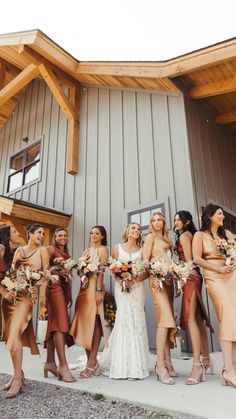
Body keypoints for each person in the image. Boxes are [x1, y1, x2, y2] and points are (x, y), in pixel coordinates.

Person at [193, 203, 236, 388]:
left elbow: (234, 253)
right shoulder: (199, 235)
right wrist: (219, 267)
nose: (223, 217)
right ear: (210, 216)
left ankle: (232, 367)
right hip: (214, 278)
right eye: (219, 214)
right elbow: (197, 258)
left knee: (233, 319)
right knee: (226, 318)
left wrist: (232, 260)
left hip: (232, 276)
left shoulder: (227, 234)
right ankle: (227, 369)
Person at [3, 223, 49, 398]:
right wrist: (13, 287)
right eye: (38, 232)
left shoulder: (42, 251)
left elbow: (44, 274)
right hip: (13, 297)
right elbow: (11, 274)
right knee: (13, 337)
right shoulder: (19, 251)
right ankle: (18, 373)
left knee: (14, 334)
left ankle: (17, 380)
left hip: (27, 298)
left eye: (43, 233)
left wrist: (37, 289)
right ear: (29, 234)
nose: (41, 235)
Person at [99, 222, 149, 380]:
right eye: (133, 228)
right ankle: (122, 364)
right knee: (124, 319)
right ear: (127, 231)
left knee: (136, 319)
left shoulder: (142, 249)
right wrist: (120, 280)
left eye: (138, 229)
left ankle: (136, 366)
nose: (136, 230)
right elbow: (114, 267)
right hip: (121, 288)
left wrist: (135, 280)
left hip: (137, 288)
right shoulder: (117, 248)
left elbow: (147, 271)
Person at [174, 210, 214, 385]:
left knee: (190, 319)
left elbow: (190, 262)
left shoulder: (184, 236)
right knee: (197, 319)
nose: (176, 223)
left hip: (190, 276)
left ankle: (197, 365)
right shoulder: (190, 234)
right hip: (194, 276)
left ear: (187, 221)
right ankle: (206, 359)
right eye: (175, 220)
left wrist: (179, 277)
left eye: (179, 220)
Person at [70, 225, 109, 378]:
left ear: (102, 236)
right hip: (84, 289)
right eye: (92, 233)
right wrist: (82, 270)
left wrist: (99, 291)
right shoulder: (86, 251)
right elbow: (80, 270)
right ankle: (90, 361)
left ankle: (92, 362)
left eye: (97, 233)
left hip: (95, 288)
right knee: (84, 324)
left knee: (95, 322)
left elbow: (101, 272)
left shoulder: (103, 250)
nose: (93, 235)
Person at [143, 212, 177, 385]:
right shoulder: (150, 238)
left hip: (169, 282)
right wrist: (156, 273)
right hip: (157, 281)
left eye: (159, 220)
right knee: (165, 318)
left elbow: (170, 262)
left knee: (167, 320)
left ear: (163, 222)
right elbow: (145, 261)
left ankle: (168, 361)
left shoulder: (167, 240)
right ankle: (160, 365)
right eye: (153, 220)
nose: (156, 222)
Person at [44, 228, 75, 382]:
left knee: (54, 324)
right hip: (53, 287)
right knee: (61, 325)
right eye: (60, 235)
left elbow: (67, 275)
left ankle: (50, 362)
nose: (63, 237)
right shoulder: (50, 249)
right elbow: (43, 269)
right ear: (55, 237)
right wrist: (57, 272)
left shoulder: (67, 255)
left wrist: (68, 294)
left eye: (65, 235)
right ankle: (63, 365)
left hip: (63, 289)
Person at [0, 225, 20, 391]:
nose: (18, 233)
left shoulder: (15, 253)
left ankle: (17, 375)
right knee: (10, 337)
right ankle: (17, 374)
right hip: (3, 297)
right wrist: (3, 291)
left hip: (13, 300)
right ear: (7, 236)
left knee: (13, 338)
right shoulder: (0, 250)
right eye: (14, 231)